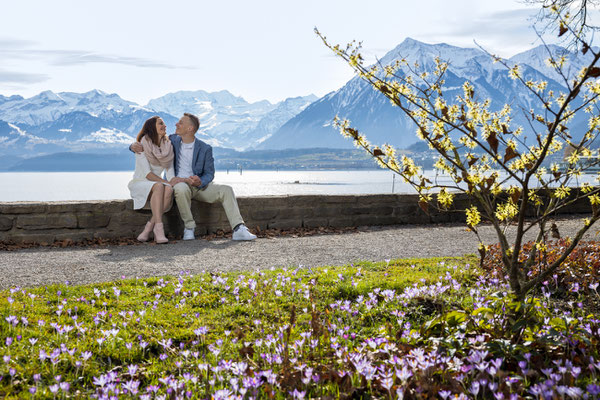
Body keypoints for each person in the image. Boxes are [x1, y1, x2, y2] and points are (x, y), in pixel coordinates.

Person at [130, 113, 256, 241]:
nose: (176, 124)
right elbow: (150, 141)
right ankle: (189, 228)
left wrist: (200, 181)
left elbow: (209, 173)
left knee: (226, 189)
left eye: (180, 123)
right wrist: (132, 146)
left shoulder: (205, 148)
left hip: (200, 187)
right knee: (180, 188)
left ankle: (239, 228)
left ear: (190, 129)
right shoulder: (171, 141)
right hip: (180, 185)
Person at [128, 116, 174, 244]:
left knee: (169, 189)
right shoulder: (141, 145)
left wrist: (171, 182)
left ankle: (148, 228)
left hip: (156, 183)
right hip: (140, 182)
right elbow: (148, 174)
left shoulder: (167, 146)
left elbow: (170, 173)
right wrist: (166, 182)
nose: (165, 126)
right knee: (159, 186)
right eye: (161, 124)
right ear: (152, 127)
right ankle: (159, 230)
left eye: (164, 124)